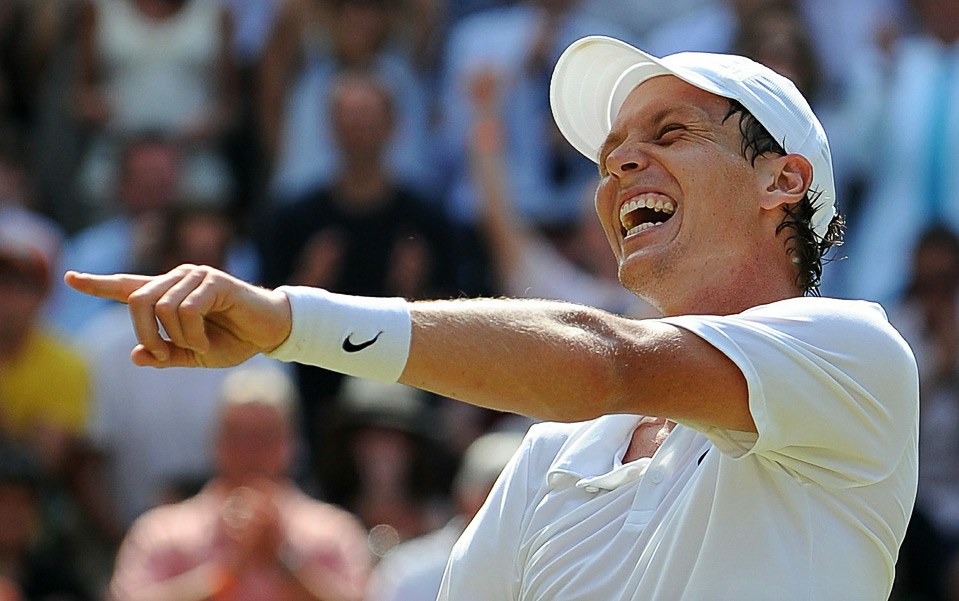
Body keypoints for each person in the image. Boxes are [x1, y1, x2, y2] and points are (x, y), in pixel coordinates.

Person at [66, 34, 919, 600]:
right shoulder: (551, 454)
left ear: (781, 181)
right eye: (611, 153)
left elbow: (604, 361)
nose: (620, 164)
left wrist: (289, 321)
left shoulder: (857, 356)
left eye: (669, 132)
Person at [108, 365, 371, 601]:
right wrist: (225, 574)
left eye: (265, 437)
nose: (250, 452)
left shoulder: (334, 533)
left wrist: (282, 563)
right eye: (237, 436)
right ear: (215, 442)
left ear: (291, 444)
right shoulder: (160, 534)